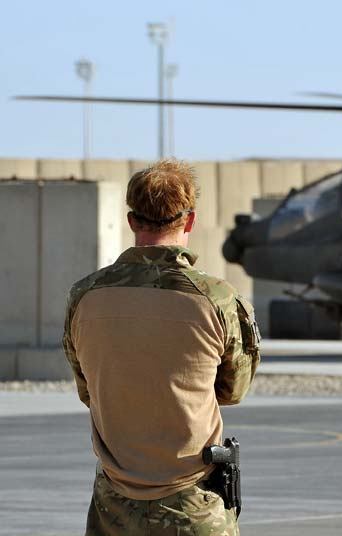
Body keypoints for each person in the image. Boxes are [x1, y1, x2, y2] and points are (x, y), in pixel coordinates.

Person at [62, 159, 261, 535]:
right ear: (189, 221)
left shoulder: (85, 297)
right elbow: (234, 390)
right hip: (193, 507)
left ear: (132, 220)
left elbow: (88, 389)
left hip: (113, 508)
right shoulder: (216, 300)